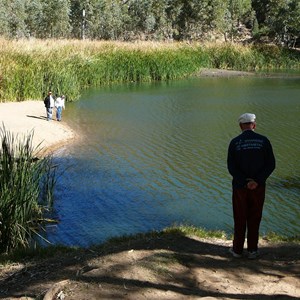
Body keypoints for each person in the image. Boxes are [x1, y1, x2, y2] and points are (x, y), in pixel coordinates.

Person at [227, 113, 275, 259]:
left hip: (240, 187)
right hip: (258, 188)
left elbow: (231, 167)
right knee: (255, 216)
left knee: (240, 216)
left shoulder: (235, 142)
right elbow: (271, 164)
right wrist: (257, 181)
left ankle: (237, 250)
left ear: (241, 126)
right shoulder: (264, 141)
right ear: (254, 125)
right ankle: (253, 250)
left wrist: (244, 182)